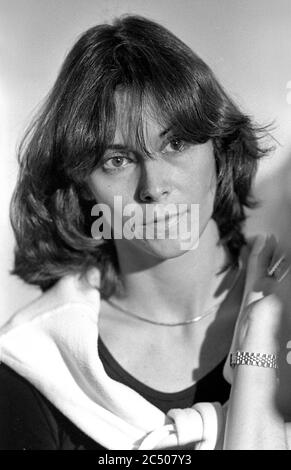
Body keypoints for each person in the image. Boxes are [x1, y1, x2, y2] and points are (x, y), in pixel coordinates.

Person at [0, 14, 290, 450]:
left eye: (176, 144)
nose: (154, 188)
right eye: (117, 160)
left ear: (219, 146)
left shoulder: (288, 307)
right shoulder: (34, 367)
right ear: (81, 185)